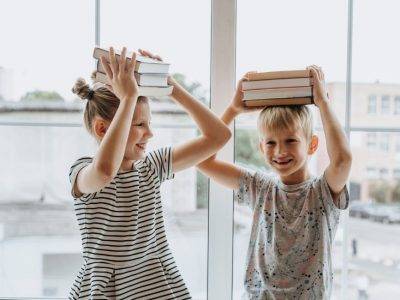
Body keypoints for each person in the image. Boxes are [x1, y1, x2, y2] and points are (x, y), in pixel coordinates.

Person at [68, 47, 231, 299]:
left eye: (149, 124)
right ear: (102, 129)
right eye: (140, 124)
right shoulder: (82, 171)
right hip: (105, 290)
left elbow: (218, 136)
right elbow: (104, 171)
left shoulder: (152, 167)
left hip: (157, 285)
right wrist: (128, 98)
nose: (150, 133)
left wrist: (171, 86)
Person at [197, 66, 352, 299]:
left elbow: (342, 160)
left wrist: (322, 103)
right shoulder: (260, 187)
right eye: (270, 143)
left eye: (291, 140)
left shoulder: (322, 192)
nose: (280, 151)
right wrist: (233, 110)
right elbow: (203, 161)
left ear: (311, 144)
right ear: (261, 148)